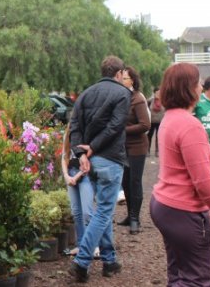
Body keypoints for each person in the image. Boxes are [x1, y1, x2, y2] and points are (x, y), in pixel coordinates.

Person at [150, 63, 210, 286]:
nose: (201, 87)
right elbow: (203, 181)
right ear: (188, 88)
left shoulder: (170, 118)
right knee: (197, 279)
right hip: (182, 211)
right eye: (198, 82)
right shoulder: (191, 125)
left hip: (164, 206)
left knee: (178, 273)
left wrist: (208, 208)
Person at [68, 55, 131, 282]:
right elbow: (116, 126)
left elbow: (74, 126)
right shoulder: (123, 93)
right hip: (110, 159)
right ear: (118, 74)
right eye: (123, 75)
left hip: (89, 162)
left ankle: (110, 261)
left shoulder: (84, 94)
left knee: (102, 212)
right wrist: (92, 148)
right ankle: (82, 262)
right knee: (104, 211)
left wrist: (82, 154)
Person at [117, 67, 150, 234]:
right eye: (121, 78)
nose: (122, 81)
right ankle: (129, 215)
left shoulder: (137, 99)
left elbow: (145, 125)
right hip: (123, 146)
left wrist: (122, 130)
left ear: (132, 81)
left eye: (125, 78)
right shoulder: (121, 97)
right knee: (125, 181)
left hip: (137, 146)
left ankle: (135, 219)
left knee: (134, 181)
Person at [60, 123, 95, 257]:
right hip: (71, 172)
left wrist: (75, 177)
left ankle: (93, 245)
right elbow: (64, 156)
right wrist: (67, 176)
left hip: (85, 175)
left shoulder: (88, 133)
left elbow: (89, 160)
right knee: (76, 212)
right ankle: (81, 245)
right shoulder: (69, 132)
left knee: (87, 212)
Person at [148, 87, 165, 156]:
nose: (159, 94)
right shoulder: (150, 101)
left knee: (159, 137)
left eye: (160, 92)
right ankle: (147, 150)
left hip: (160, 122)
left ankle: (157, 151)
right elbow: (146, 109)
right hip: (151, 121)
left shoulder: (164, 101)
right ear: (154, 93)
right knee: (149, 136)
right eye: (157, 92)